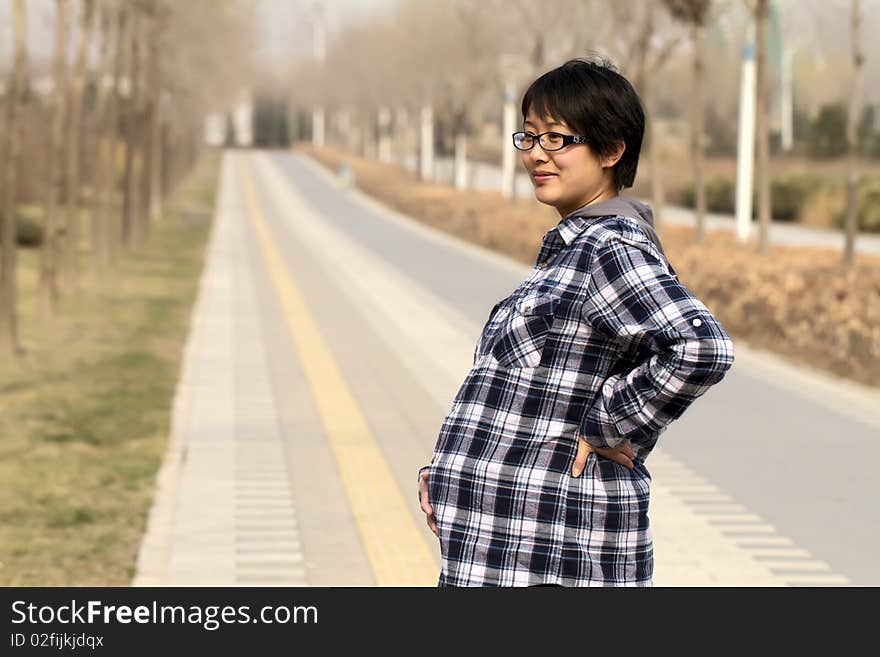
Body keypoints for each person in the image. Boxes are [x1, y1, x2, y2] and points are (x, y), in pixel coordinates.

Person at [417, 56, 735, 587]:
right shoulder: (573, 250)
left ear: (612, 150)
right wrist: (448, 475)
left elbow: (701, 347)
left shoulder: (606, 248)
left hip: (557, 552)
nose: (537, 155)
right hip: (513, 543)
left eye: (558, 140)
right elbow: (530, 399)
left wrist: (609, 423)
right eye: (530, 138)